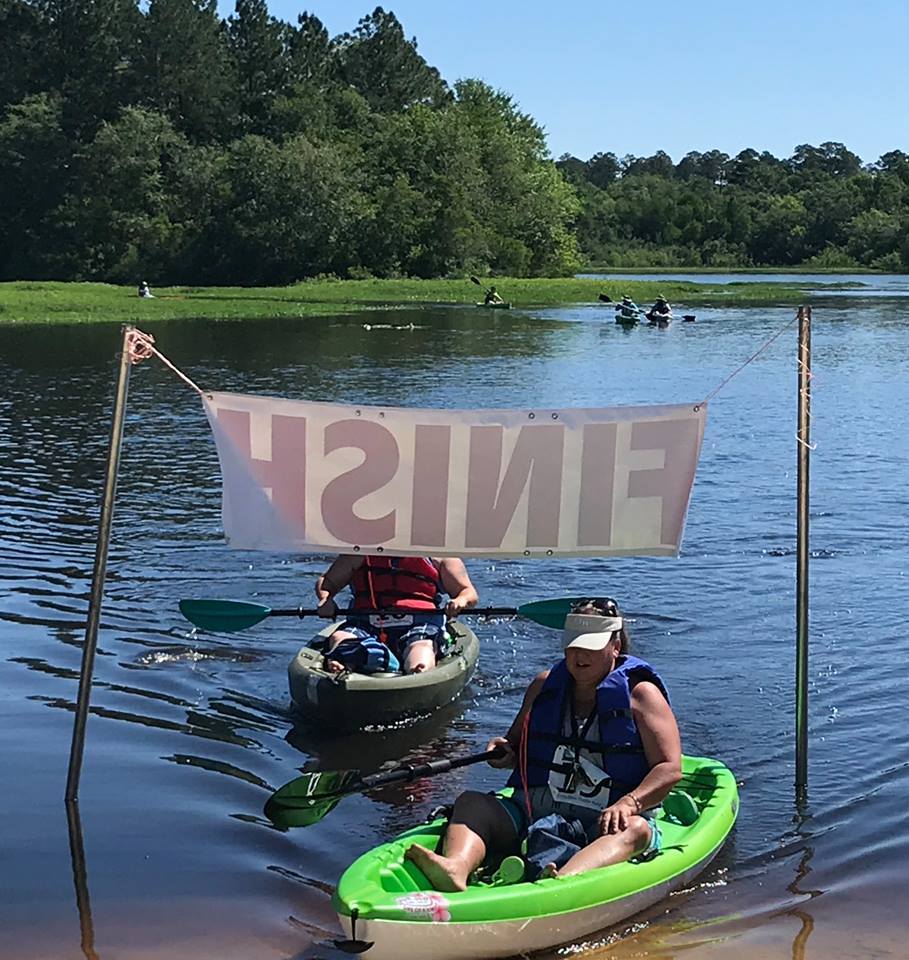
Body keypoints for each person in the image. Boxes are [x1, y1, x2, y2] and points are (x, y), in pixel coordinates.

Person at [404, 597, 682, 890]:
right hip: (539, 811)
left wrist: (630, 803)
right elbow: (513, 746)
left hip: (607, 820)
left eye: (591, 645)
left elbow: (669, 767)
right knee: (471, 802)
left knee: (636, 829)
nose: (580, 655)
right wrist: (503, 752)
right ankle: (456, 868)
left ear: (615, 645)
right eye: (574, 645)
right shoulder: (545, 686)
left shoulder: (641, 696)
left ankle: (562, 882)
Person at [314, 555, 479, 675]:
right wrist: (325, 599)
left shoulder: (440, 556)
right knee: (340, 638)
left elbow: (467, 592)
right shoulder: (359, 554)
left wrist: (461, 601)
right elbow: (328, 582)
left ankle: (407, 668)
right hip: (365, 623)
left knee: (421, 651)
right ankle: (346, 664)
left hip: (419, 626)